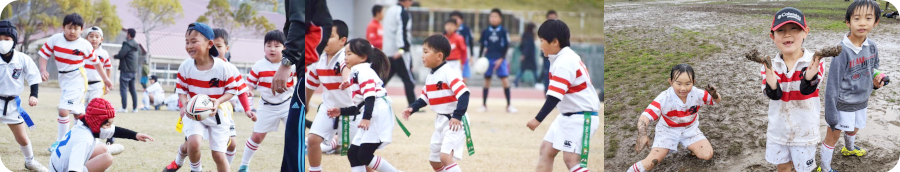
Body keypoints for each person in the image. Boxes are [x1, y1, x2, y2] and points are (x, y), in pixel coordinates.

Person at [743, 7, 825, 172]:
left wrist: (812, 68)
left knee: (803, 169)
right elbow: (774, 94)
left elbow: (807, 89)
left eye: (794, 28)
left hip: (805, 132)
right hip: (779, 130)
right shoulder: (770, 65)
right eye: (781, 30)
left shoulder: (815, 62)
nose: (787, 34)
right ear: (772, 36)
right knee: (783, 168)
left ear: (805, 32)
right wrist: (768, 68)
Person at [165, 22, 249, 172]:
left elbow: (232, 90)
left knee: (218, 154)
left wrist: (219, 101)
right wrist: (185, 105)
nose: (189, 45)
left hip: (217, 114)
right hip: (193, 113)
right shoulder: (185, 66)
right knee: (194, 143)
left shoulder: (223, 67)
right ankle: (196, 170)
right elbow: (182, 90)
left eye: (194, 41)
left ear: (210, 44)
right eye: (187, 42)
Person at [820, 1, 888, 171]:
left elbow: (874, 68)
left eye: (868, 18)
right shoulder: (841, 51)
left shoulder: (871, 46)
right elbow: (832, 85)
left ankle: (849, 149)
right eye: (856, 18)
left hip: (862, 101)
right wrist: (831, 114)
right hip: (842, 104)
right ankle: (825, 168)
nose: (862, 23)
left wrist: (877, 78)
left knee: (854, 128)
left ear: (876, 22)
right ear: (848, 22)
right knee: (832, 137)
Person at [525, 20, 601, 172]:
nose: (540, 45)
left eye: (541, 41)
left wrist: (537, 119)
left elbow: (554, 97)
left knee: (571, 160)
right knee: (546, 149)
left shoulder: (564, 62)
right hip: (567, 116)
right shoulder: (562, 58)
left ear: (554, 42)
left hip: (581, 117)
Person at [268, 0, 333, 171]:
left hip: (309, 61)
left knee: (295, 130)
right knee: (292, 129)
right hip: (305, 62)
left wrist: (286, 62)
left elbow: (299, 21)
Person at [39, 13, 114, 152]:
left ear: (81, 29)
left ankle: (60, 143)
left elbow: (97, 63)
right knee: (79, 115)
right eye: (69, 28)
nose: (72, 31)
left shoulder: (84, 44)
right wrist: (43, 70)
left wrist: (106, 79)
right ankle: (86, 140)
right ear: (63, 27)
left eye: (76, 28)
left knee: (63, 110)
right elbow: (44, 55)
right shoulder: (55, 39)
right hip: (64, 78)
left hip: (78, 78)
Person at [626, 63, 719, 172]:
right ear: (671, 82)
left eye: (688, 84)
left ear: (693, 82)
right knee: (650, 163)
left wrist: (715, 95)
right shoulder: (664, 98)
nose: (683, 88)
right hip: (667, 131)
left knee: (707, 154)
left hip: (690, 129)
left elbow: (715, 101)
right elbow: (645, 116)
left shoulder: (697, 93)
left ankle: (691, 147)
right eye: (678, 84)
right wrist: (642, 134)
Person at [303, 20, 365, 172]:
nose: (324, 39)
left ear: (342, 41)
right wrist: (304, 106)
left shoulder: (345, 57)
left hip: (352, 111)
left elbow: (345, 69)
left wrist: (346, 79)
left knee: (360, 155)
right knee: (312, 139)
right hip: (329, 109)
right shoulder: (318, 61)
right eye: (323, 35)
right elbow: (309, 86)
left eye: (330, 36)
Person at [401, 35, 470, 172]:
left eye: (426, 52)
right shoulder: (431, 76)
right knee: (434, 161)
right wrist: (412, 108)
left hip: (455, 121)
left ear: (439, 56)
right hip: (441, 121)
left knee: (445, 157)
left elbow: (464, 94)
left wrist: (457, 116)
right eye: (422, 51)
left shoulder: (449, 73)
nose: (422, 55)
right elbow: (425, 98)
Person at [329, 38, 399, 172]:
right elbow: (359, 105)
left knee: (364, 155)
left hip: (376, 113)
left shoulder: (364, 71)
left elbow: (370, 97)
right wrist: (341, 111)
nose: (345, 58)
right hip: (371, 111)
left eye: (349, 54)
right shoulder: (357, 71)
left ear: (362, 57)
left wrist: (366, 118)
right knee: (353, 154)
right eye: (345, 54)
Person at [238, 30, 297, 172]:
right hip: (266, 106)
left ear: (284, 48)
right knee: (257, 136)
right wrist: (249, 91)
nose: (272, 49)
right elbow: (249, 84)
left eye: (277, 45)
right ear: (264, 48)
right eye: (268, 45)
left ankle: (294, 166)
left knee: (294, 135)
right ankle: (244, 165)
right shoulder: (259, 65)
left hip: (287, 105)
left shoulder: (291, 65)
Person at [50, 98, 154, 172]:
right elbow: (74, 169)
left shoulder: (84, 123)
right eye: (108, 124)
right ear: (96, 122)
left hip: (58, 164)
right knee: (107, 158)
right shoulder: (84, 139)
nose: (110, 127)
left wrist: (136, 135)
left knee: (103, 148)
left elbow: (115, 130)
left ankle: (107, 149)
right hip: (62, 169)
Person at [0, 20, 49, 171]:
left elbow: (34, 77)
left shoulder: (22, 58)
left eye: (6, 39)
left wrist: (34, 95)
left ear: (13, 40)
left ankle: (30, 161)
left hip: (13, 105)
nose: (2, 42)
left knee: (21, 137)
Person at [477, 8, 516, 113]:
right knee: (486, 81)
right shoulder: (485, 31)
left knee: (505, 81)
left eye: (495, 16)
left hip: (500, 59)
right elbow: (482, 46)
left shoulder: (503, 32)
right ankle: (484, 105)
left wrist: (501, 58)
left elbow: (507, 46)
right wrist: (480, 59)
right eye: (491, 16)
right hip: (488, 59)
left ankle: (509, 105)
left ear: (500, 19)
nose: (493, 18)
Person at [381, 0, 417, 105]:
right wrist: (403, 49)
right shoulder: (402, 12)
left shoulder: (390, 10)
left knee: (383, 79)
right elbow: (402, 31)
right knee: (409, 79)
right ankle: (413, 104)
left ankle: (370, 98)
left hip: (389, 51)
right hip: (399, 52)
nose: (411, 3)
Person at [114, 28, 140, 113]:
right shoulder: (136, 45)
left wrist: (115, 56)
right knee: (133, 89)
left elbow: (121, 54)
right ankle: (135, 108)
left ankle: (124, 107)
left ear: (128, 34)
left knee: (123, 89)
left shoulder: (127, 44)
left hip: (125, 70)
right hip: (133, 71)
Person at [449, 11, 474, 83]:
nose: (455, 21)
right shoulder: (448, 30)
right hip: (452, 57)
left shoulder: (466, 29)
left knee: (464, 78)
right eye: (453, 19)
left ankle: (462, 92)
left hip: (463, 56)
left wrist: (471, 56)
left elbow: (471, 42)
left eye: (457, 19)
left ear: (461, 20)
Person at [513, 23, 538, 87]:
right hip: (529, 56)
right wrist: (524, 54)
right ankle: (538, 82)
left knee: (523, 69)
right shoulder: (529, 36)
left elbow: (522, 45)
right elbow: (527, 46)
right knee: (533, 70)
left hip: (527, 56)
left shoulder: (525, 35)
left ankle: (516, 81)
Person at [539, 10, 559, 92]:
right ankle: (548, 96)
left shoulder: (560, 30)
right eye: (550, 19)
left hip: (558, 57)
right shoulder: (543, 30)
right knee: (547, 76)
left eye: (553, 19)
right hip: (547, 58)